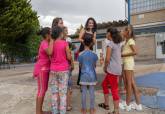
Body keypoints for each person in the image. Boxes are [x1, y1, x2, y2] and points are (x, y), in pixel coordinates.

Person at [47, 26, 72, 114]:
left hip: (53, 70)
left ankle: (54, 112)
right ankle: (62, 112)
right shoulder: (65, 43)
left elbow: (49, 53)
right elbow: (69, 57)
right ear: (61, 34)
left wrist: (51, 41)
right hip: (64, 70)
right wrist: (68, 55)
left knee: (54, 93)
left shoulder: (52, 42)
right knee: (63, 93)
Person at [98, 28, 122, 114]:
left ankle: (116, 111)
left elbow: (107, 59)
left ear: (109, 34)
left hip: (112, 70)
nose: (106, 35)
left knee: (114, 89)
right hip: (117, 68)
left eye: (106, 33)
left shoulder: (110, 44)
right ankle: (106, 104)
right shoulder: (118, 43)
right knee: (104, 84)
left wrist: (105, 67)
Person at [120, 25, 142, 111]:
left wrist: (123, 55)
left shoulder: (130, 41)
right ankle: (138, 104)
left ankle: (128, 105)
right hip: (127, 63)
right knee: (132, 83)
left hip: (128, 64)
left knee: (128, 84)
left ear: (127, 32)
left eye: (123, 31)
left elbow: (135, 52)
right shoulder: (126, 41)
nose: (122, 32)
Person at [33, 27, 51, 114]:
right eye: (51, 32)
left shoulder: (46, 42)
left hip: (45, 69)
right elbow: (50, 52)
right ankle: (38, 112)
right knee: (41, 90)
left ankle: (40, 111)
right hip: (42, 69)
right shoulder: (44, 43)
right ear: (47, 35)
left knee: (43, 89)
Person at [78, 36, 98, 114]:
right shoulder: (94, 54)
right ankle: (92, 109)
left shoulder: (80, 54)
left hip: (83, 76)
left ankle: (83, 109)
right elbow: (94, 65)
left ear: (83, 43)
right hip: (92, 76)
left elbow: (80, 65)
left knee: (84, 93)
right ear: (91, 44)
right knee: (92, 92)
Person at [77, 17, 97, 85]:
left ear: (93, 24)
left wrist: (93, 42)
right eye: (89, 23)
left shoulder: (94, 32)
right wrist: (85, 43)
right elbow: (79, 38)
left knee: (89, 66)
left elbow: (94, 42)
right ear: (87, 23)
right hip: (83, 48)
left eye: (92, 23)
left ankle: (88, 81)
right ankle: (81, 83)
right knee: (82, 66)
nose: (91, 24)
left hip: (90, 49)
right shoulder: (84, 29)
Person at [63, 26, 74, 111]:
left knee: (68, 86)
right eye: (65, 30)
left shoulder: (69, 39)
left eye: (67, 30)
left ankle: (68, 104)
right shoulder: (63, 41)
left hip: (68, 65)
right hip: (65, 65)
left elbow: (71, 53)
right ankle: (66, 105)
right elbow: (69, 54)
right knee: (66, 86)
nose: (67, 31)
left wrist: (72, 63)